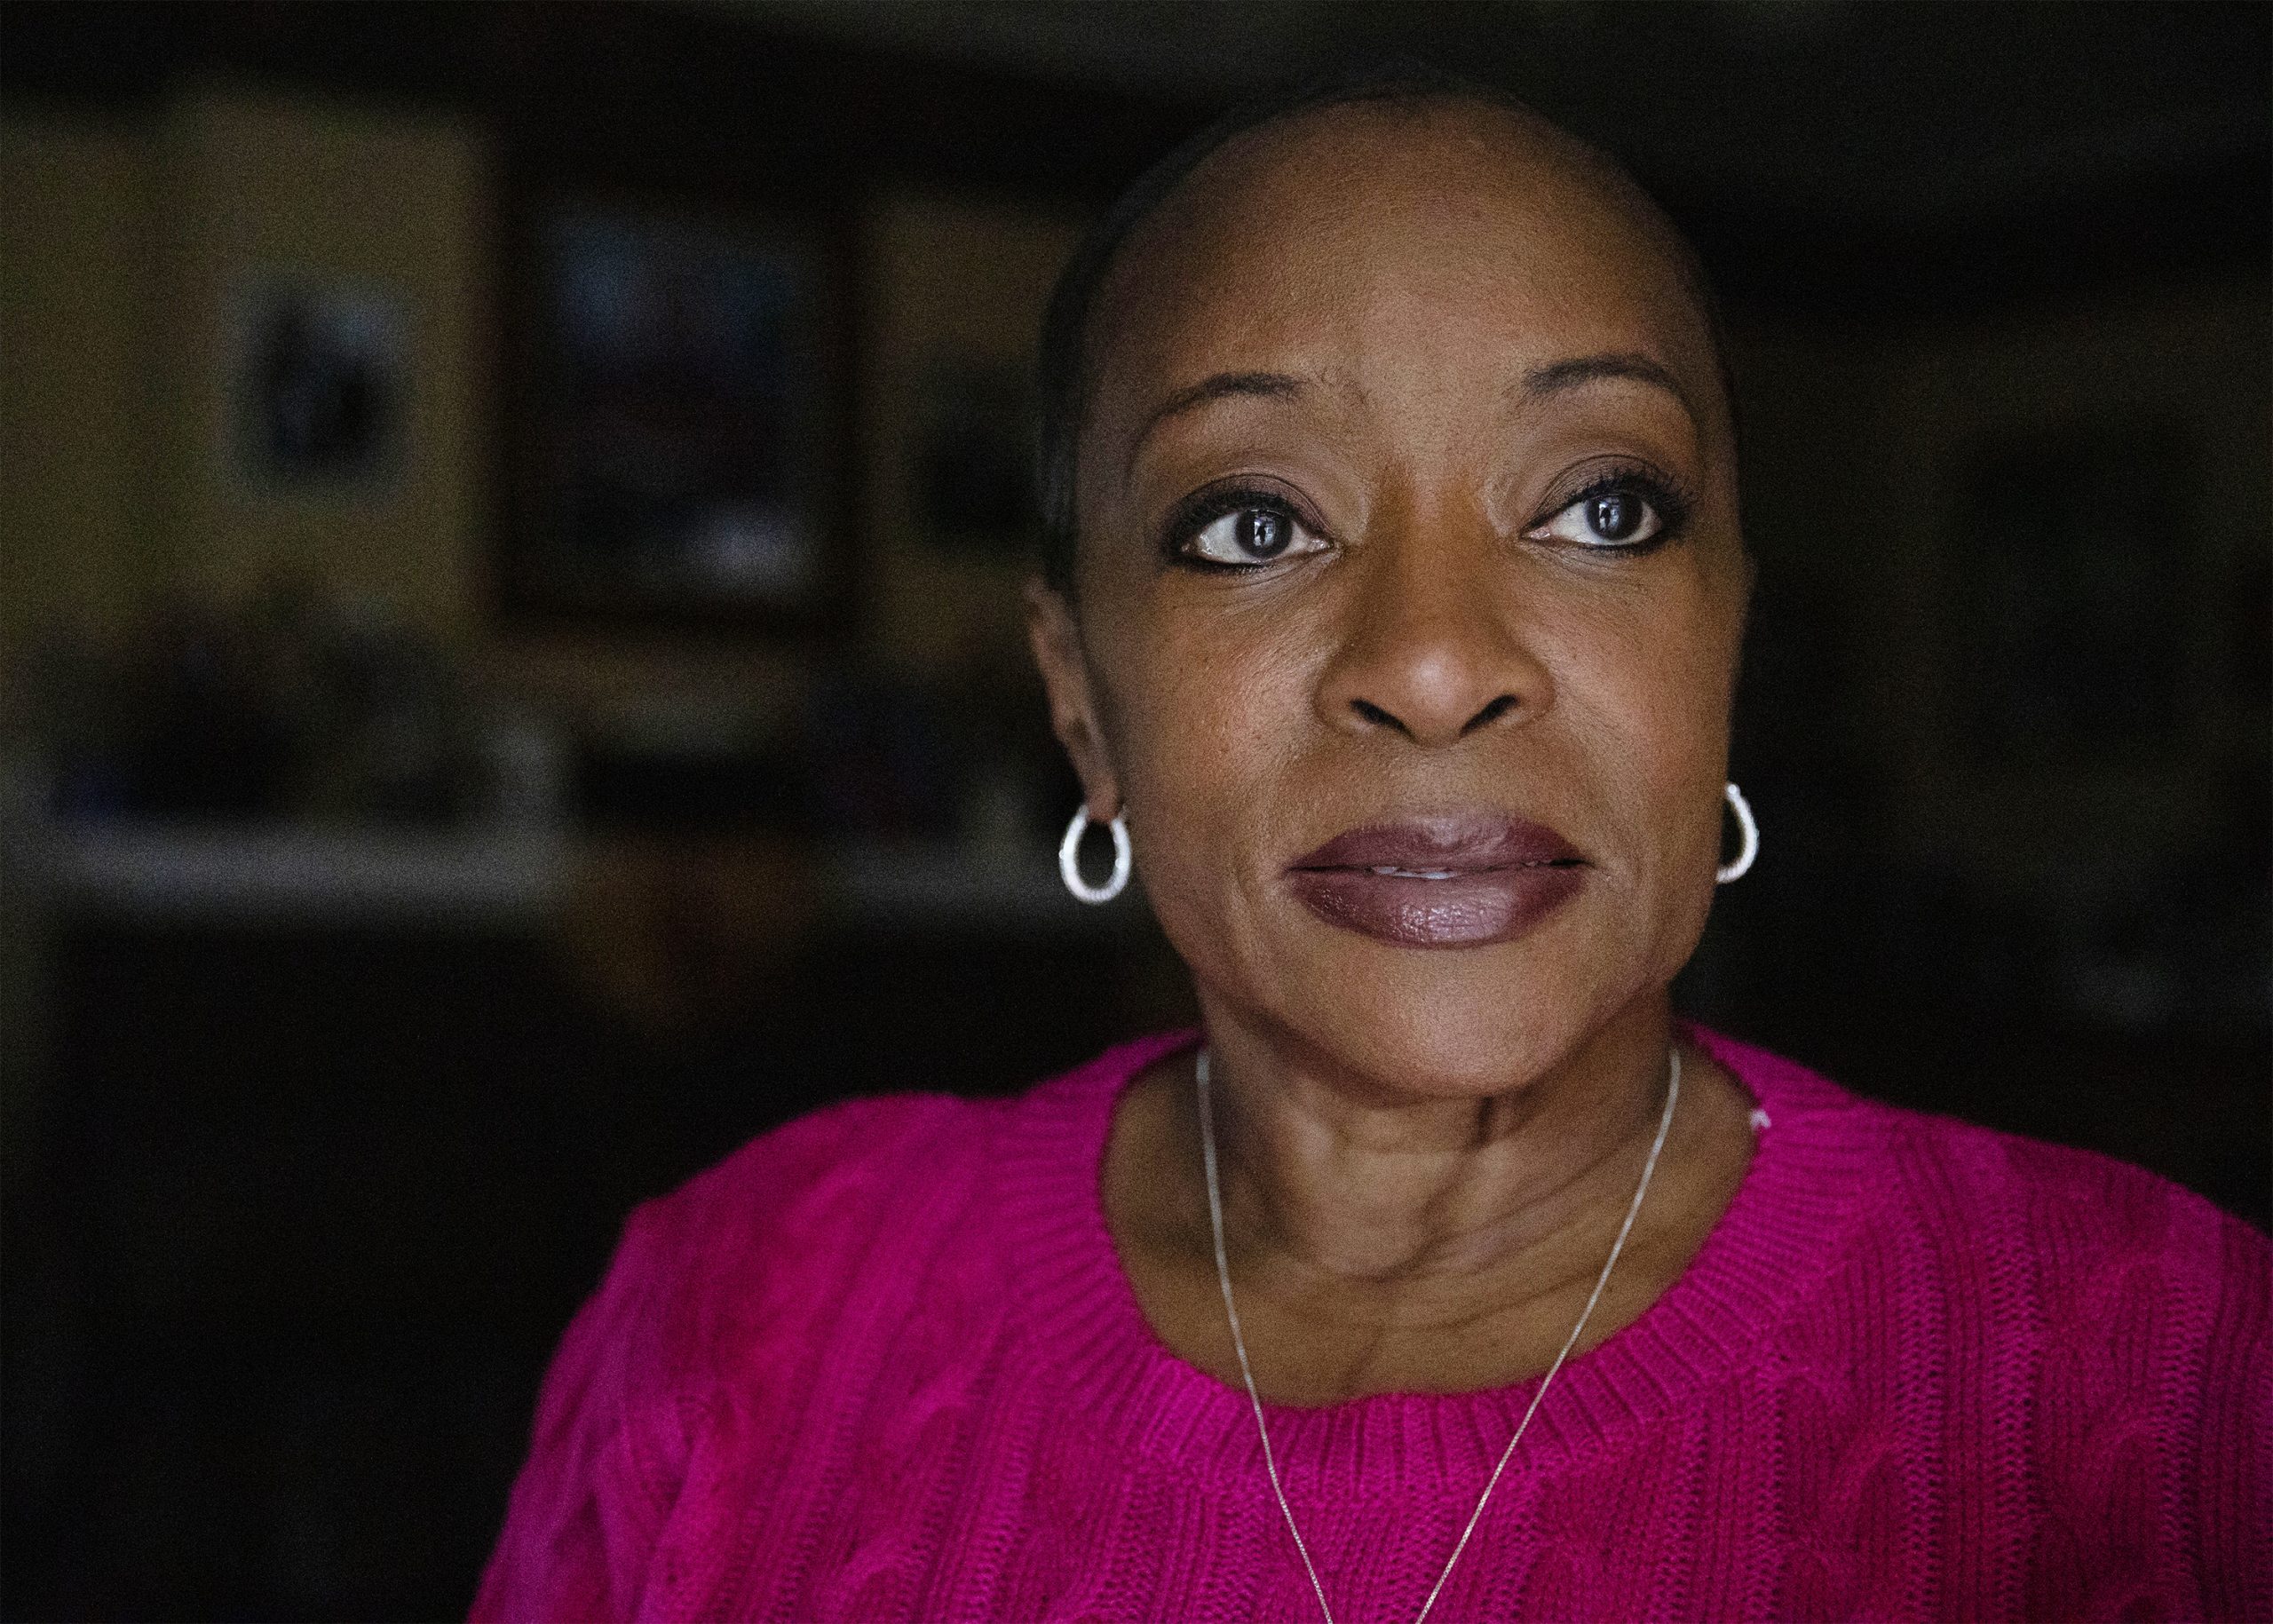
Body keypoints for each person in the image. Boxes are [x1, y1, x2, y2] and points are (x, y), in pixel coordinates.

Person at [473, 69, 2269, 1623]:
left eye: (1598, 503)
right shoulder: (737, 1309)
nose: (1429, 661)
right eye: (1249, 520)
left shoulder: (2163, 1367)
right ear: (1081, 703)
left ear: (1723, 638)